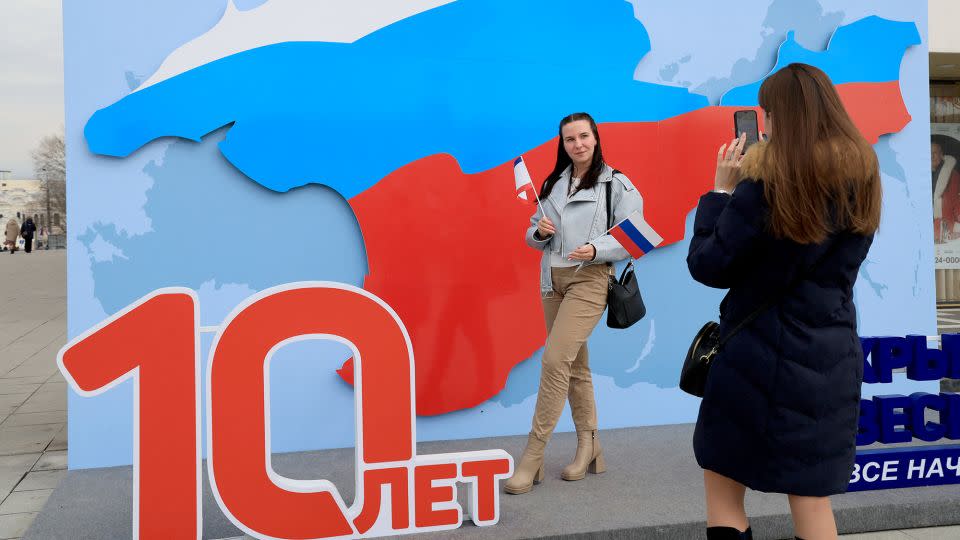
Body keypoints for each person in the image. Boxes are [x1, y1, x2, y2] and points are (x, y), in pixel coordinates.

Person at [687, 63, 881, 540]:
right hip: (828, 357)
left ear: (782, 116)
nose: (765, 124)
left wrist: (720, 190)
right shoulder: (862, 178)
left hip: (754, 358)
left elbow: (709, 265)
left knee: (724, 487)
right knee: (812, 500)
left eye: (768, 113)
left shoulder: (766, 186)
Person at [505, 112, 643, 494]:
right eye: (570, 139)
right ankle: (590, 445)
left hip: (590, 279)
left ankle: (533, 455)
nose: (578, 144)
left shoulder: (616, 184)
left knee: (554, 360)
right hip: (552, 281)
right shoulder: (553, 184)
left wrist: (596, 248)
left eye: (584, 136)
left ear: (596, 138)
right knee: (575, 367)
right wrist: (538, 230)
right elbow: (535, 236)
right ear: (562, 144)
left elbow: (637, 236)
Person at [932, 141, 960, 243]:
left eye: (934, 152)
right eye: (929, 152)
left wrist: (957, 229)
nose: (931, 156)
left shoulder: (952, 175)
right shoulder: (922, 174)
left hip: (945, 228)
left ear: (942, 155)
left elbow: (957, 200)